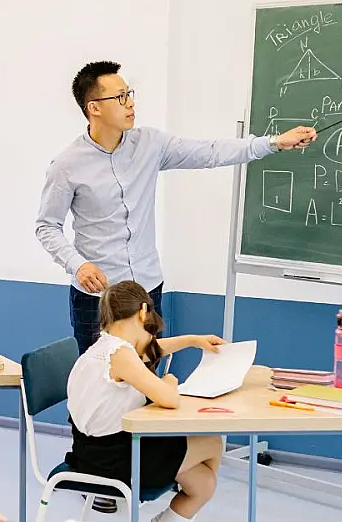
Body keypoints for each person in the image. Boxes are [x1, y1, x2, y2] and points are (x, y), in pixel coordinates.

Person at [35, 60, 316, 355]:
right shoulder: (67, 166)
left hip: (146, 291)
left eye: (129, 93)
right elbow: (46, 226)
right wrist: (77, 265)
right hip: (96, 299)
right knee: (100, 387)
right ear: (94, 108)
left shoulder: (150, 144)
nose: (130, 103)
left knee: (147, 385)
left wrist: (274, 142)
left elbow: (209, 151)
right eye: (120, 97)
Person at [64, 280, 225, 522]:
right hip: (113, 462)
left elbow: (154, 349)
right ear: (142, 312)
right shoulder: (121, 355)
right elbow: (168, 398)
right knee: (212, 441)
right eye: (150, 328)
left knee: (204, 483)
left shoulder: (105, 346)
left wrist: (194, 341)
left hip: (91, 452)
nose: (151, 339)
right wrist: (168, 381)